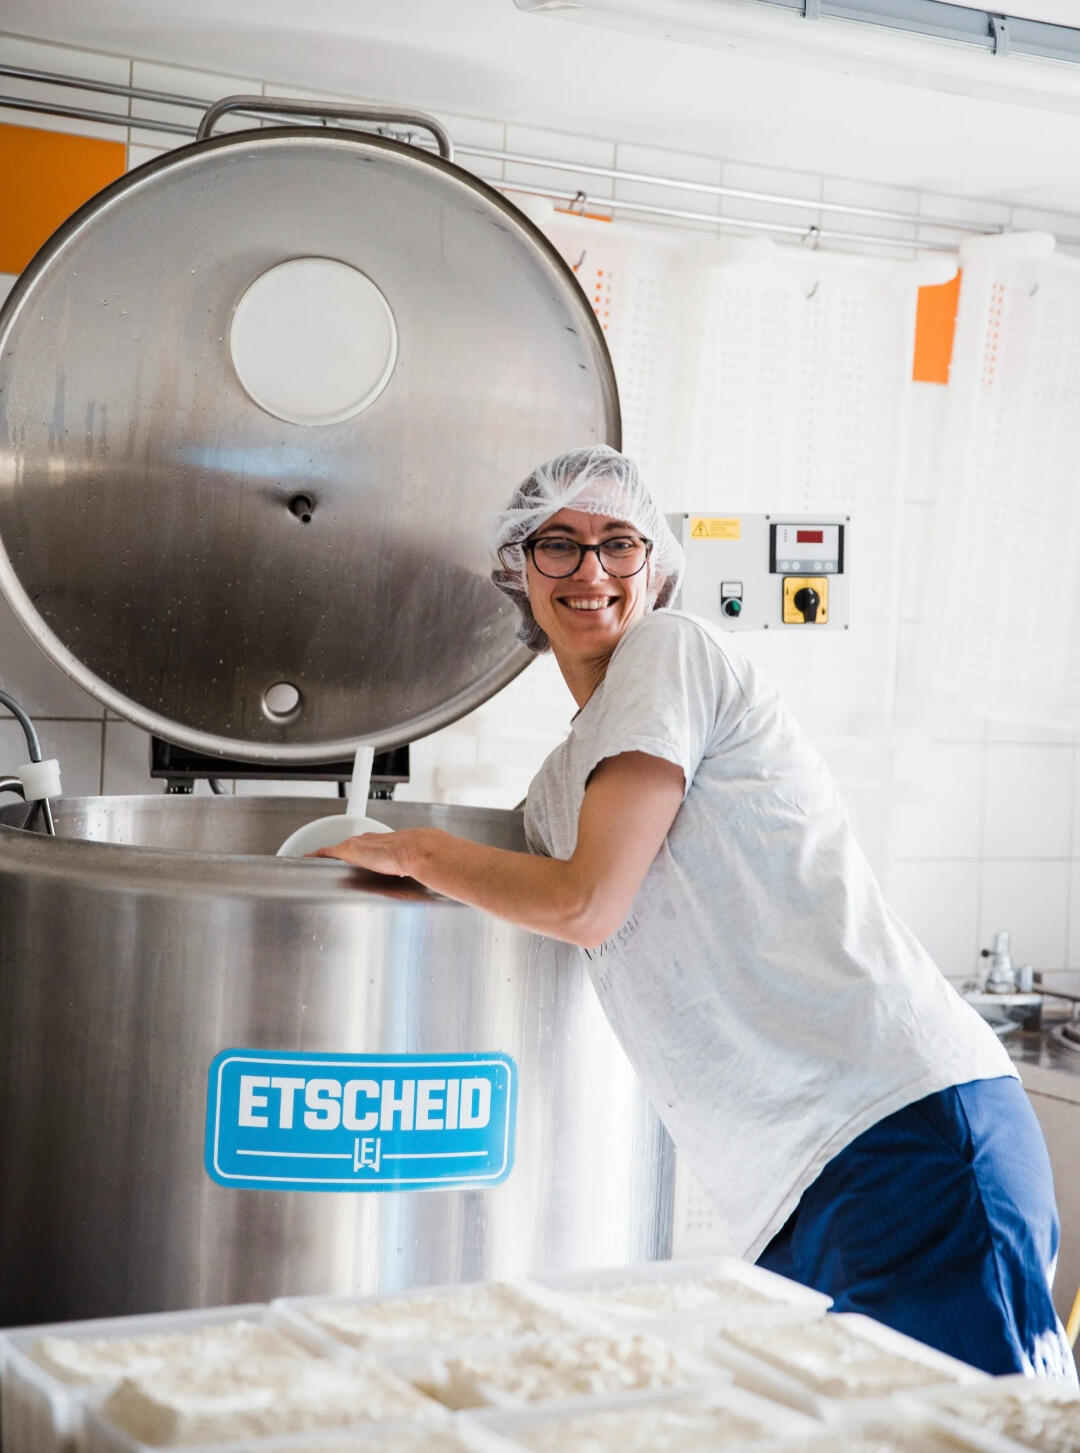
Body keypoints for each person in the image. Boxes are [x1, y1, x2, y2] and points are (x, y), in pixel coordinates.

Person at [316, 444, 1075, 1382]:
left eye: (619, 543)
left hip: (900, 1130)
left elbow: (585, 902)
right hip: (796, 1189)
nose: (592, 570)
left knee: (979, 1433)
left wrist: (416, 849)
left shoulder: (672, 650)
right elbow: (529, 900)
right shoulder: (559, 786)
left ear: (656, 565)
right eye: (559, 543)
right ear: (518, 568)